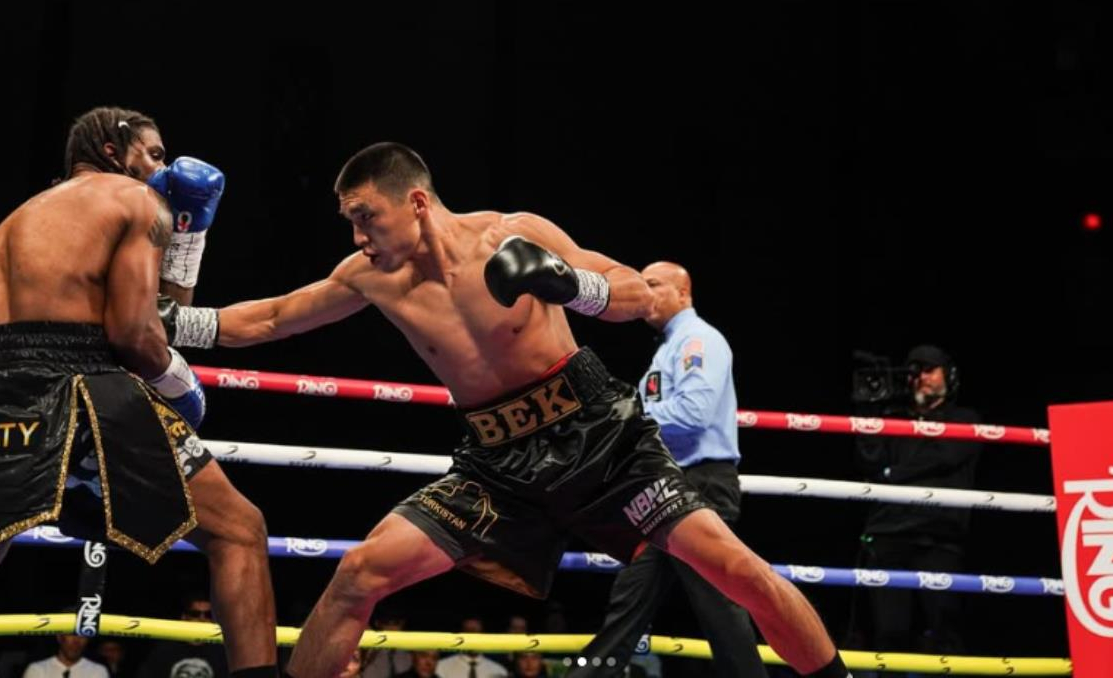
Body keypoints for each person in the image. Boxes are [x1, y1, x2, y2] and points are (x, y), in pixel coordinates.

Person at [170, 142, 850, 678]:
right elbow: (272, 318)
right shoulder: (370, 277)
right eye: (350, 221)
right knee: (358, 573)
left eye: (365, 216)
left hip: (600, 437)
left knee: (737, 570)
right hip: (497, 465)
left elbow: (636, 294)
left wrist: (570, 285)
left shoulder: (511, 233)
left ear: (416, 202)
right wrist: (170, 324)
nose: (357, 236)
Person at [0, 106, 277, 677]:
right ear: (115, 152)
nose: (164, 169)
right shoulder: (135, 198)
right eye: (156, 154)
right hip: (82, 384)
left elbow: (159, 313)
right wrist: (176, 382)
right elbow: (138, 334)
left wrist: (187, 237)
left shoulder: (15, 220)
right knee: (240, 531)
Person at [568, 261, 766, 677]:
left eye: (654, 284)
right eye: (641, 284)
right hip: (663, 486)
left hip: (699, 484)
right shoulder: (667, 349)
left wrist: (623, 418)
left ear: (683, 292)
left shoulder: (699, 340)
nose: (645, 293)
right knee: (628, 603)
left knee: (719, 607)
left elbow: (693, 413)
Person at [851, 344, 980, 656]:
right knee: (889, 633)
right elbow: (869, 462)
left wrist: (891, 473)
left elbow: (943, 457)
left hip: (939, 537)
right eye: (913, 372)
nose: (920, 378)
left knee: (946, 633)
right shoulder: (893, 420)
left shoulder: (964, 418)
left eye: (928, 370)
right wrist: (869, 412)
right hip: (888, 536)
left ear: (948, 376)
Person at [137, 593, 229, 678]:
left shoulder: (221, 652)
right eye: (195, 614)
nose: (202, 619)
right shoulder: (166, 649)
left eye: (208, 615)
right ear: (184, 617)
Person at [435, 617, 507, 678]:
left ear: (483, 635)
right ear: (460, 635)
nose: (472, 637)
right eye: (468, 632)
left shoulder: (498, 670)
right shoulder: (441, 667)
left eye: (476, 632)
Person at [22, 635, 108, 678]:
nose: (76, 641)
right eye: (71, 634)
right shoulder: (38, 669)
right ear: (59, 637)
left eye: (82, 635)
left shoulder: (97, 671)